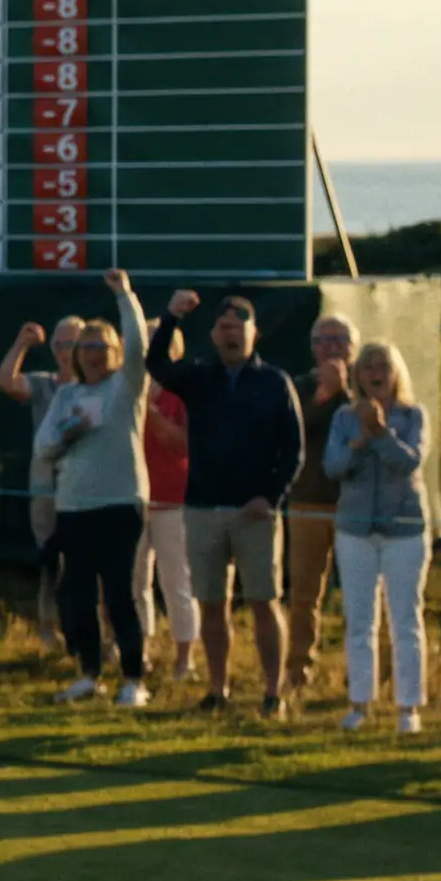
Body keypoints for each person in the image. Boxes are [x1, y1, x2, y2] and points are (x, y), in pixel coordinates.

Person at [153, 291, 305, 718]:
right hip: (202, 508)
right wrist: (170, 318)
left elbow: (293, 450)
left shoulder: (274, 382)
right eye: (224, 328)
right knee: (211, 604)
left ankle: (273, 693)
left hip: (253, 512)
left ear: (254, 333)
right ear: (213, 336)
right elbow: (157, 366)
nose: (232, 334)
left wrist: (270, 497)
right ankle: (217, 690)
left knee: (263, 600)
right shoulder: (199, 377)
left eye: (239, 327)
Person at [35, 272, 154, 706]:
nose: (93, 356)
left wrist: (124, 296)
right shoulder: (65, 397)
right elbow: (43, 448)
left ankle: (134, 680)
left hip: (120, 504)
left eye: (101, 348)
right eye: (85, 348)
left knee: (120, 594)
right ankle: (88, 675)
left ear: (114, 353)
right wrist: (67, 434)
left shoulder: (125, 387)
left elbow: (140, 346)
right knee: (79, 596)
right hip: (73, 507)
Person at [326, 339, 431, 734]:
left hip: (403, 530)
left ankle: (408, 707)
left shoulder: (413, 415)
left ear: (395, 373)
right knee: (358, 620)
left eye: (382, 365)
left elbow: (410, 461)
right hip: (355, 530)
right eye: (367, 365)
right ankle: (360, 703)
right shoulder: (343, 418)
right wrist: (360, 440)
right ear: (358, 376)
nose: (375, 372)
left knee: (405, 619)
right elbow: (333, 466)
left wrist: (382, 434)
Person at [283, 314, 360, 694]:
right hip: (308, 505)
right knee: (304, 595)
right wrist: (323, 397)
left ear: (353, 347)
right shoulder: (297, 388)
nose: (331, 346)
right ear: (312, 348)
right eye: (323, 339)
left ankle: (361, 673)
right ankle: (298, 671)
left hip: (357, 508)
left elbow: (366, 428)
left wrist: (345, 394)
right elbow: (293, 433)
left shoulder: (371, 387)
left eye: (340, 339)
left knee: (362, 595)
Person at [0, 316, 84, 650]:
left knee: (86, 562)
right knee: (50, 560)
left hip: (85, 485)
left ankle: (90, 633)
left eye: (72, 343)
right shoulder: (43, 384)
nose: (66, 351)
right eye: (60, 344)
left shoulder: (98, 387)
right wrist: (22, 343)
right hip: (45, 486)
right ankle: (49, 630)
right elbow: (5, 380)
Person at [140, 367, 198, 679]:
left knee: (177, 581)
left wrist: (149, 409)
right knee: (135, 582)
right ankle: (139, 652)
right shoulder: (124, 391)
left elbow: (182, 444)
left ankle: (184, 658)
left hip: (173, 501)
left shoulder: (181, 398)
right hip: (134, 500)